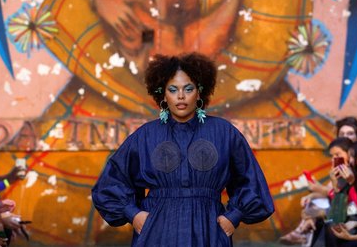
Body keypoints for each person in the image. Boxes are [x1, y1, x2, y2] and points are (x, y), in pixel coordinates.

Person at [91, 53, 274, 245]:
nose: (181, 96)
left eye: (188, 89)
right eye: (173, 89)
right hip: (156, 232)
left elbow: (251, 180)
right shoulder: (145, 135)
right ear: (162, 93)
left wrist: (233, 217)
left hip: (209, 232)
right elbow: (109, 183)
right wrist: (134, 214)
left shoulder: (224, 132)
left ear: (200, 91)